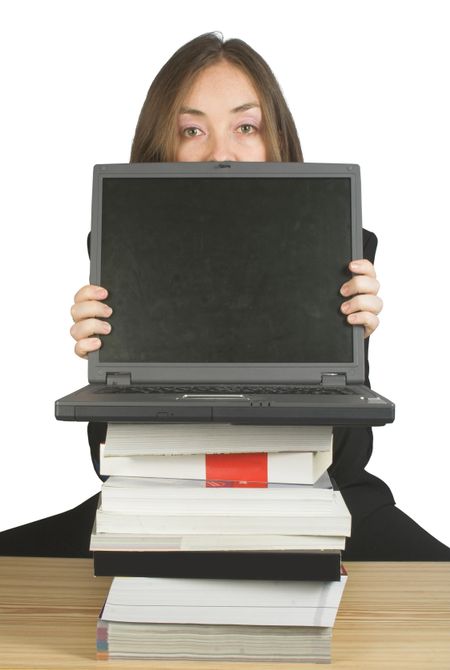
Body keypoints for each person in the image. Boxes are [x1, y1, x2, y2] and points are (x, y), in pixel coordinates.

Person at [1, 32, 449, 560]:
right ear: (161, 147)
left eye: (245, 126)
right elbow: (113, 460)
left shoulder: (342, 244)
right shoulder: (124, 245)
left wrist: (354, 346)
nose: (220, 151)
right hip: (163, 500)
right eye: (192, 129)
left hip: (317, 501)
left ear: (273, 138)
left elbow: (345, 464)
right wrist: (108, 361)